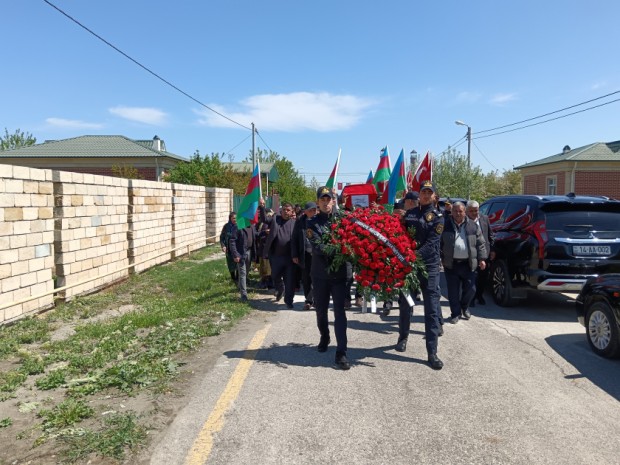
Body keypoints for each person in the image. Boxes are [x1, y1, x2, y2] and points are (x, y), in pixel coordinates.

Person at [397, 180, 445, 370]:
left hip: (429, 268)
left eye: (429, 192)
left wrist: (412, 256)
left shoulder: (438, 217)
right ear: (419, 195)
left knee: (431, 309)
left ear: (434, 196)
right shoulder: (410, 214)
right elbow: (401, 234)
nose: (425, 195)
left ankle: (432, 352)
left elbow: (432, 243)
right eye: (423, 192)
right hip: (410, 269)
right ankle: (403, 337)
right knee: (406, 302)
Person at [307, 186, 350, 370]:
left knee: (340, 313)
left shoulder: (342, 220)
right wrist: (341, 248)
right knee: (321, 311)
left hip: (339, 275)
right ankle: (324, 336)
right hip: (320, 275)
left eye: (328, 199)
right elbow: (318, 247)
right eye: (322, 199)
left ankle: (341, 352)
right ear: (318, 202)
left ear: (333, 201)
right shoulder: (312, 223)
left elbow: (352, 240)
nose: (325, 203)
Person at [440, 202, 488, 323]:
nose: (458, 213)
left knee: (471, 289)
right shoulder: (444, 224)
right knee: (453, 292)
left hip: (468, 264)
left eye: (460, 211)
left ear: (465, 212)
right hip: (451, 264)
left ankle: (464, 306)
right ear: (451, 212)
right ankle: (455, 313)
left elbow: (481, 244)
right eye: (455, 211)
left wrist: (482, 259)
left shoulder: (473, 225)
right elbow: (438, 243)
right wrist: (440, 258)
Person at [263, 202, 296, 309]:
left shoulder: (295, 223)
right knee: (275, 276)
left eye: (288, 210)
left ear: (292, 212)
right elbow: (264, 219)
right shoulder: (275, 219)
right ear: (281, 211)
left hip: (290, 258)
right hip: (276, 256)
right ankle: (280, 289)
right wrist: (262, 207)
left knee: (289, 281)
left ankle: (289, 301)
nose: (286, 212)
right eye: (284, 210)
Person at [466, 200, 495, 306]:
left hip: (484, 252)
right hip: (470, 253)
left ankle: (479, 295)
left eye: (476, 210)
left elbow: (490, 235)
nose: (474, 213)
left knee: (483, 276)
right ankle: (471, 297)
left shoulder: (484, 218)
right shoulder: (465, 220)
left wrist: (492, 250)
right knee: (472, 277)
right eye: (472, 211)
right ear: (467, 211)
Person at [291, 201, 317, 310]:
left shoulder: (319, 220)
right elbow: (294, 239)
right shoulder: (300, 221)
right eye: (311, 210)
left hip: (317, 254)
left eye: (314, 210)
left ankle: (310, 300)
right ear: (305, 211)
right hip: (305, 254)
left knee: (316, 278)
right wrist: (295, 255)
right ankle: (309, 299)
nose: (313, 212)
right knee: (306, 279)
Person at [229, 220, 257, 302]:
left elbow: (256, 235)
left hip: (249, 252)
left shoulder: (252, 226)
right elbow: (232, 241)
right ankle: (244, 295)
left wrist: (265, 232)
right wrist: (236, 255)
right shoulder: (238, 226)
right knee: (242, 273)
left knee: (246, 272)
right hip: (241, 254)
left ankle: (240, 286)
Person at [219, 212, 238, 283]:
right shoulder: (226, 227)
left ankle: (238, 278)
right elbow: (222, 237)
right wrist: (223, 246)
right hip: (229, 249)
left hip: (237, 249)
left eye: (236, 218)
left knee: (238, 264)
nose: (235, 220)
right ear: (230, 218)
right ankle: (233, 278)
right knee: (230, 264)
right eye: (233, 218)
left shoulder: (239, 226)